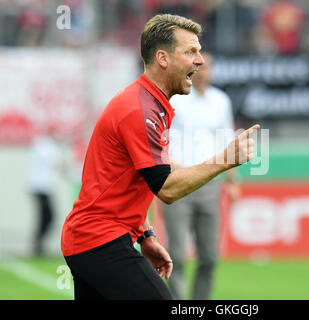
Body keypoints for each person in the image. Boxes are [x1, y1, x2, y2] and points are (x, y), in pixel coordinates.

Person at [60, 14, 260, 300]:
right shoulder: (140, 110)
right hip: (100, 241)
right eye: (191, 51)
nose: (200, 60)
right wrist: (225, 159)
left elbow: (139, 177)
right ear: (163, 58)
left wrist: (145, 235)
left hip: (92, 240)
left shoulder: (149, 103)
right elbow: (166, 188)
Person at [164, 52, 239, 300]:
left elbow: (227, 142)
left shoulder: (221, 101)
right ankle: (177, 303)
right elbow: (160, 136)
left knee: (209, 257)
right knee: (175, 254)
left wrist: (232, 181)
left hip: (209, 184)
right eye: (198, 67)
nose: (203, 72)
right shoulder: (175, 99)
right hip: (179, 180)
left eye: (206, 68)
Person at [28, 126, 61, 256]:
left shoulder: (40, 144)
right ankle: (38, 243)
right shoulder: (45, 146)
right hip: (41, 186)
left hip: (43, 187)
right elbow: (56, 163)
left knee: (45, 217)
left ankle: (38, 243)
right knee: (47, 217)